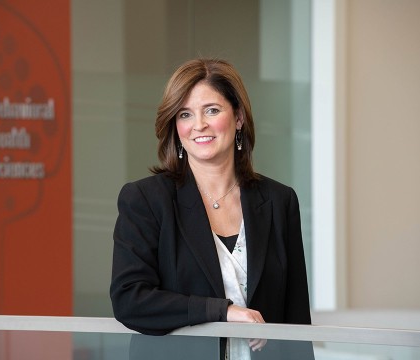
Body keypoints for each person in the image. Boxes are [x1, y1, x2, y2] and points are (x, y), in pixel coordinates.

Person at [110, 58, 313, 359]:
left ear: (239, 117)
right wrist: (223, 312)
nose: (199, 125)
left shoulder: (280, 202)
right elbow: (130, 300)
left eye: (212, 110)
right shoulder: (146, 199)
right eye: (185, 114)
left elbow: (296, 322)